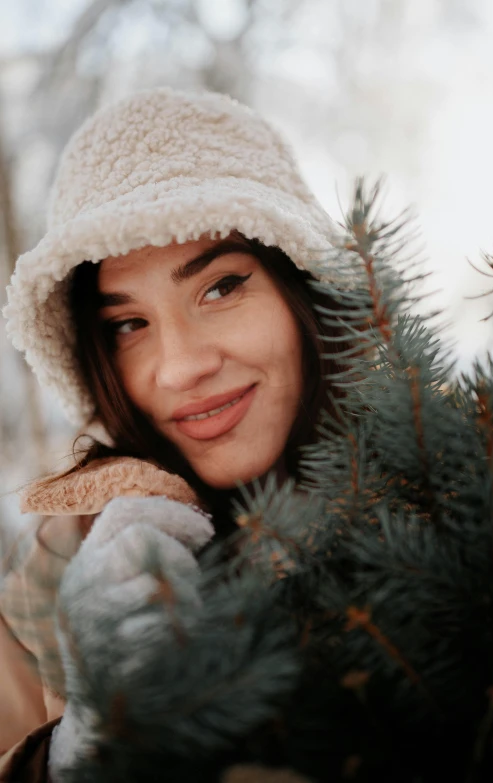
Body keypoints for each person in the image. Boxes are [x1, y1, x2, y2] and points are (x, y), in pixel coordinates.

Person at [0, 86, 350, 779]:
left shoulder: (472, 489)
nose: (182, 366)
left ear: (301, 286)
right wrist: (75, 749)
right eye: (129, 324)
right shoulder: (54, 569)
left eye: (220, 287)